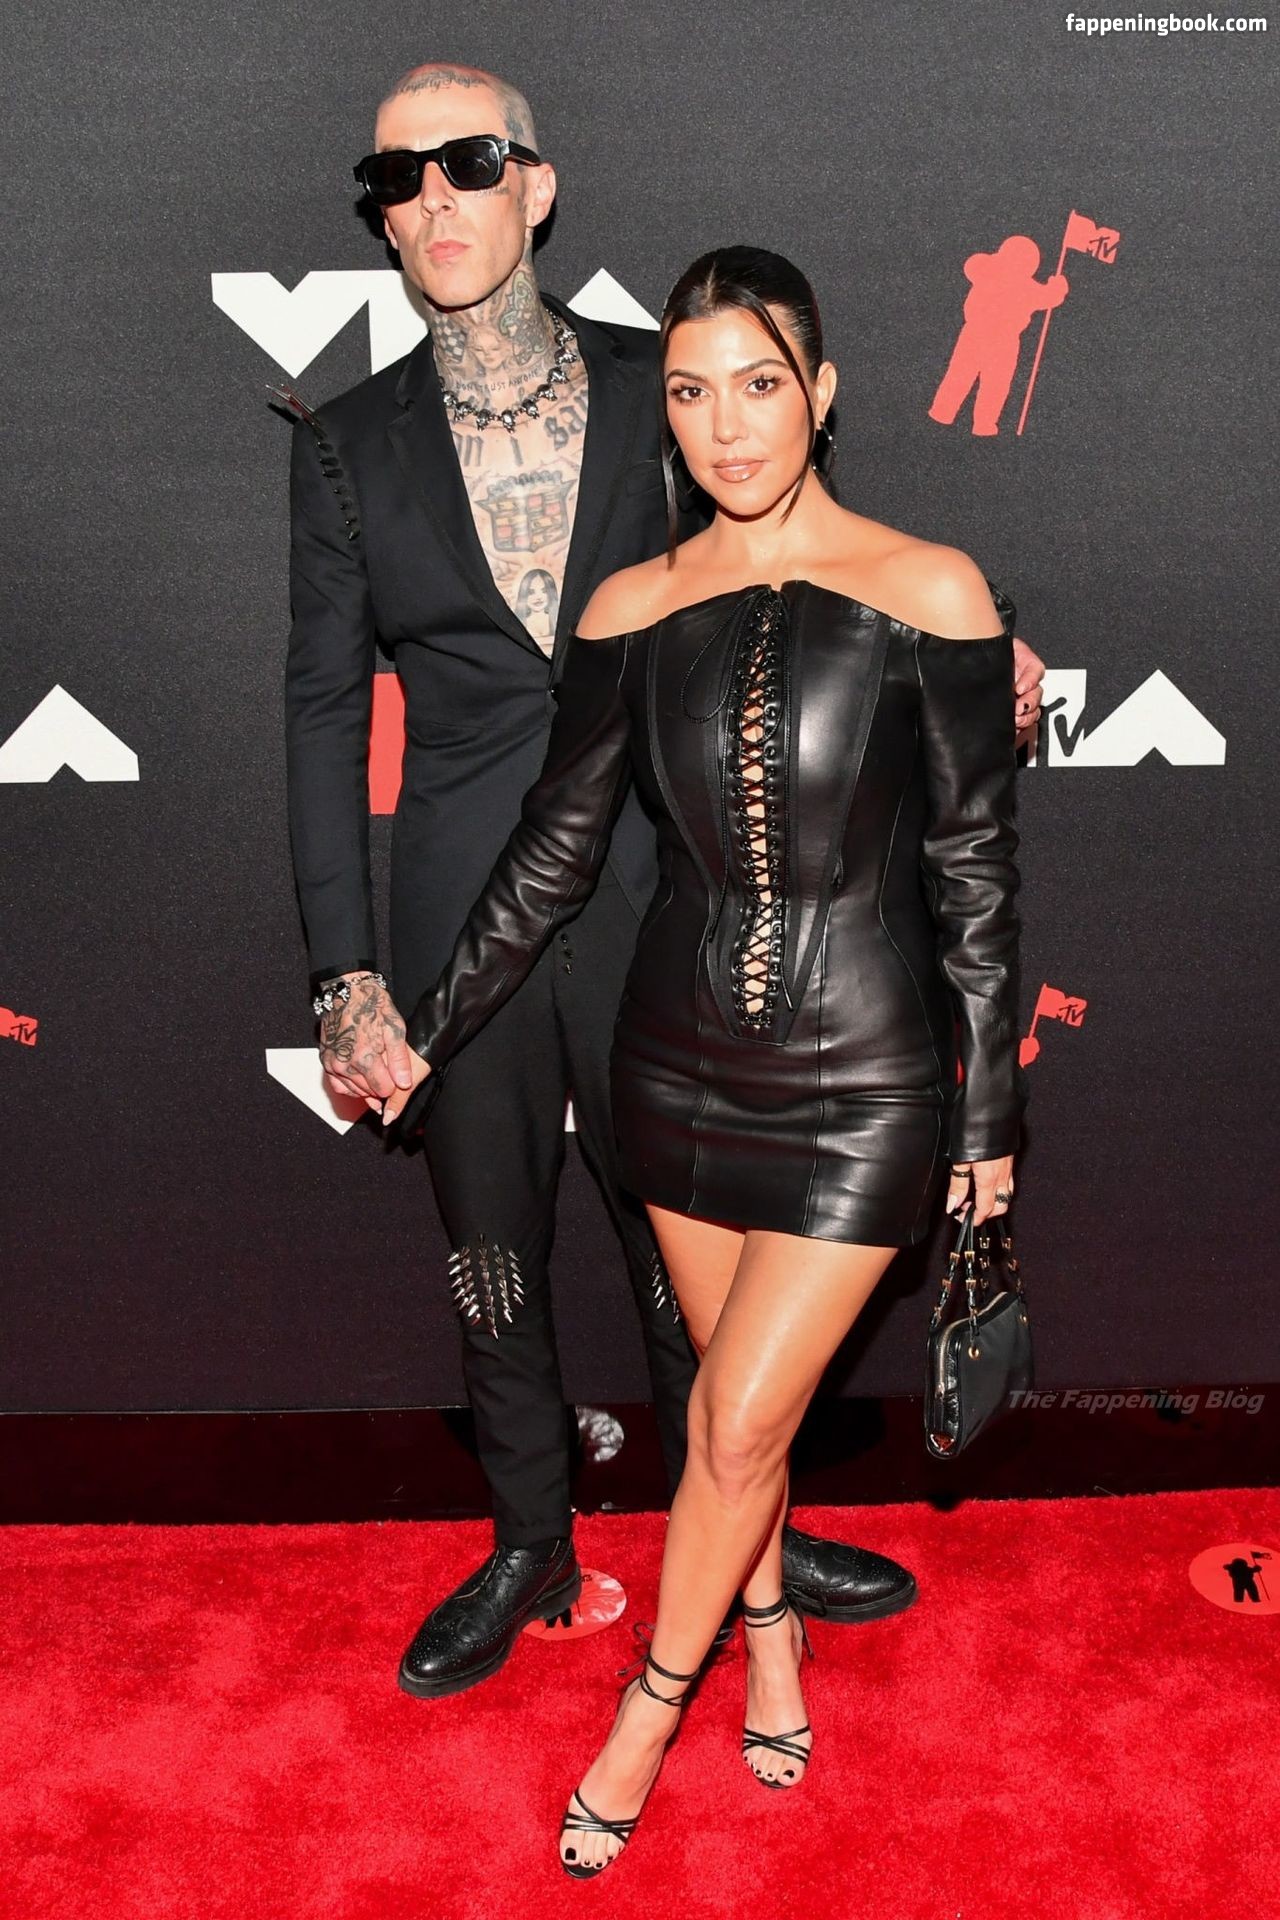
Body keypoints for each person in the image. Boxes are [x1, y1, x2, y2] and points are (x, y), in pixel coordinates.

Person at [286, 62, 1045, 1702]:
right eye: (397, 177)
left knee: (686, 1240)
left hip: (672, 878)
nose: (435, 199)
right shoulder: (347, 445)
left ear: (537, 185)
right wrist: (346, 974)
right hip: (462, 890)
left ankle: (743, 1508)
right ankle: (528, 1540)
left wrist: (974, 660)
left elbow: (806, 563)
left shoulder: (671, 383)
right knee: (491, 1238)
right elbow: (323, 713)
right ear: (384, 216)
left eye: (468, 161)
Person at [379, 244, 1029, 1874]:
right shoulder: (629, 608)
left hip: (870, 1079)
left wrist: (989, 1122)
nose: (727, 426)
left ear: (822, 393)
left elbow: (973, 879)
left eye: (759, 384)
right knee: (744, 1422)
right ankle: (775, 1642)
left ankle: (647, 1715)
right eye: (689, 392)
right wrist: (426, 1023)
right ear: (662, 415)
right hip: (671, 1068)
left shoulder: (934, 589)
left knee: (733, 1419)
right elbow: (553, 854)